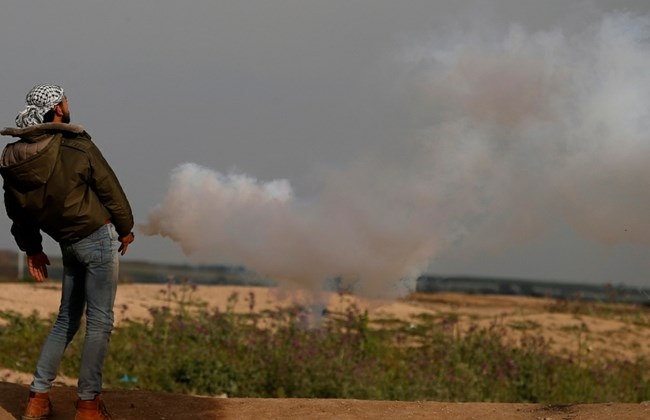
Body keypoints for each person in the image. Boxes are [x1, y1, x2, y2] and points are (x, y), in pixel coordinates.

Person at [0, 84, 134, 420]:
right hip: (97, 240)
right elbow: (109, 188)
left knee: (66, 321)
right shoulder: (76, 145)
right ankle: (88, 405)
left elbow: (16, 213)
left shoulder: (14, 160)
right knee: (100, 323)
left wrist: (32, 250)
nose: (68, 103)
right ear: (58, 108)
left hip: (67, 246)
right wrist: (126, 227)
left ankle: (37, 398)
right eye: (65, 99)